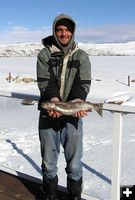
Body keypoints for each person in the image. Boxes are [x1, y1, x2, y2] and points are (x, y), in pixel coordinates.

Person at [37, 13, 91, 200]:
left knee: (75, 164)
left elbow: (83, 82)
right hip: (48, 114)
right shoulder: (44, 54)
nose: (63, 33)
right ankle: (50, 195)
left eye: (67, 30)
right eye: (59, 30)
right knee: (48, 163)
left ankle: (75, 197)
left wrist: (78, 100)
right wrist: (52, 99)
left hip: (72, 117)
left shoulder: (82, 56)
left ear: (73, 32)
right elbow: (45, 81)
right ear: (54, 31)